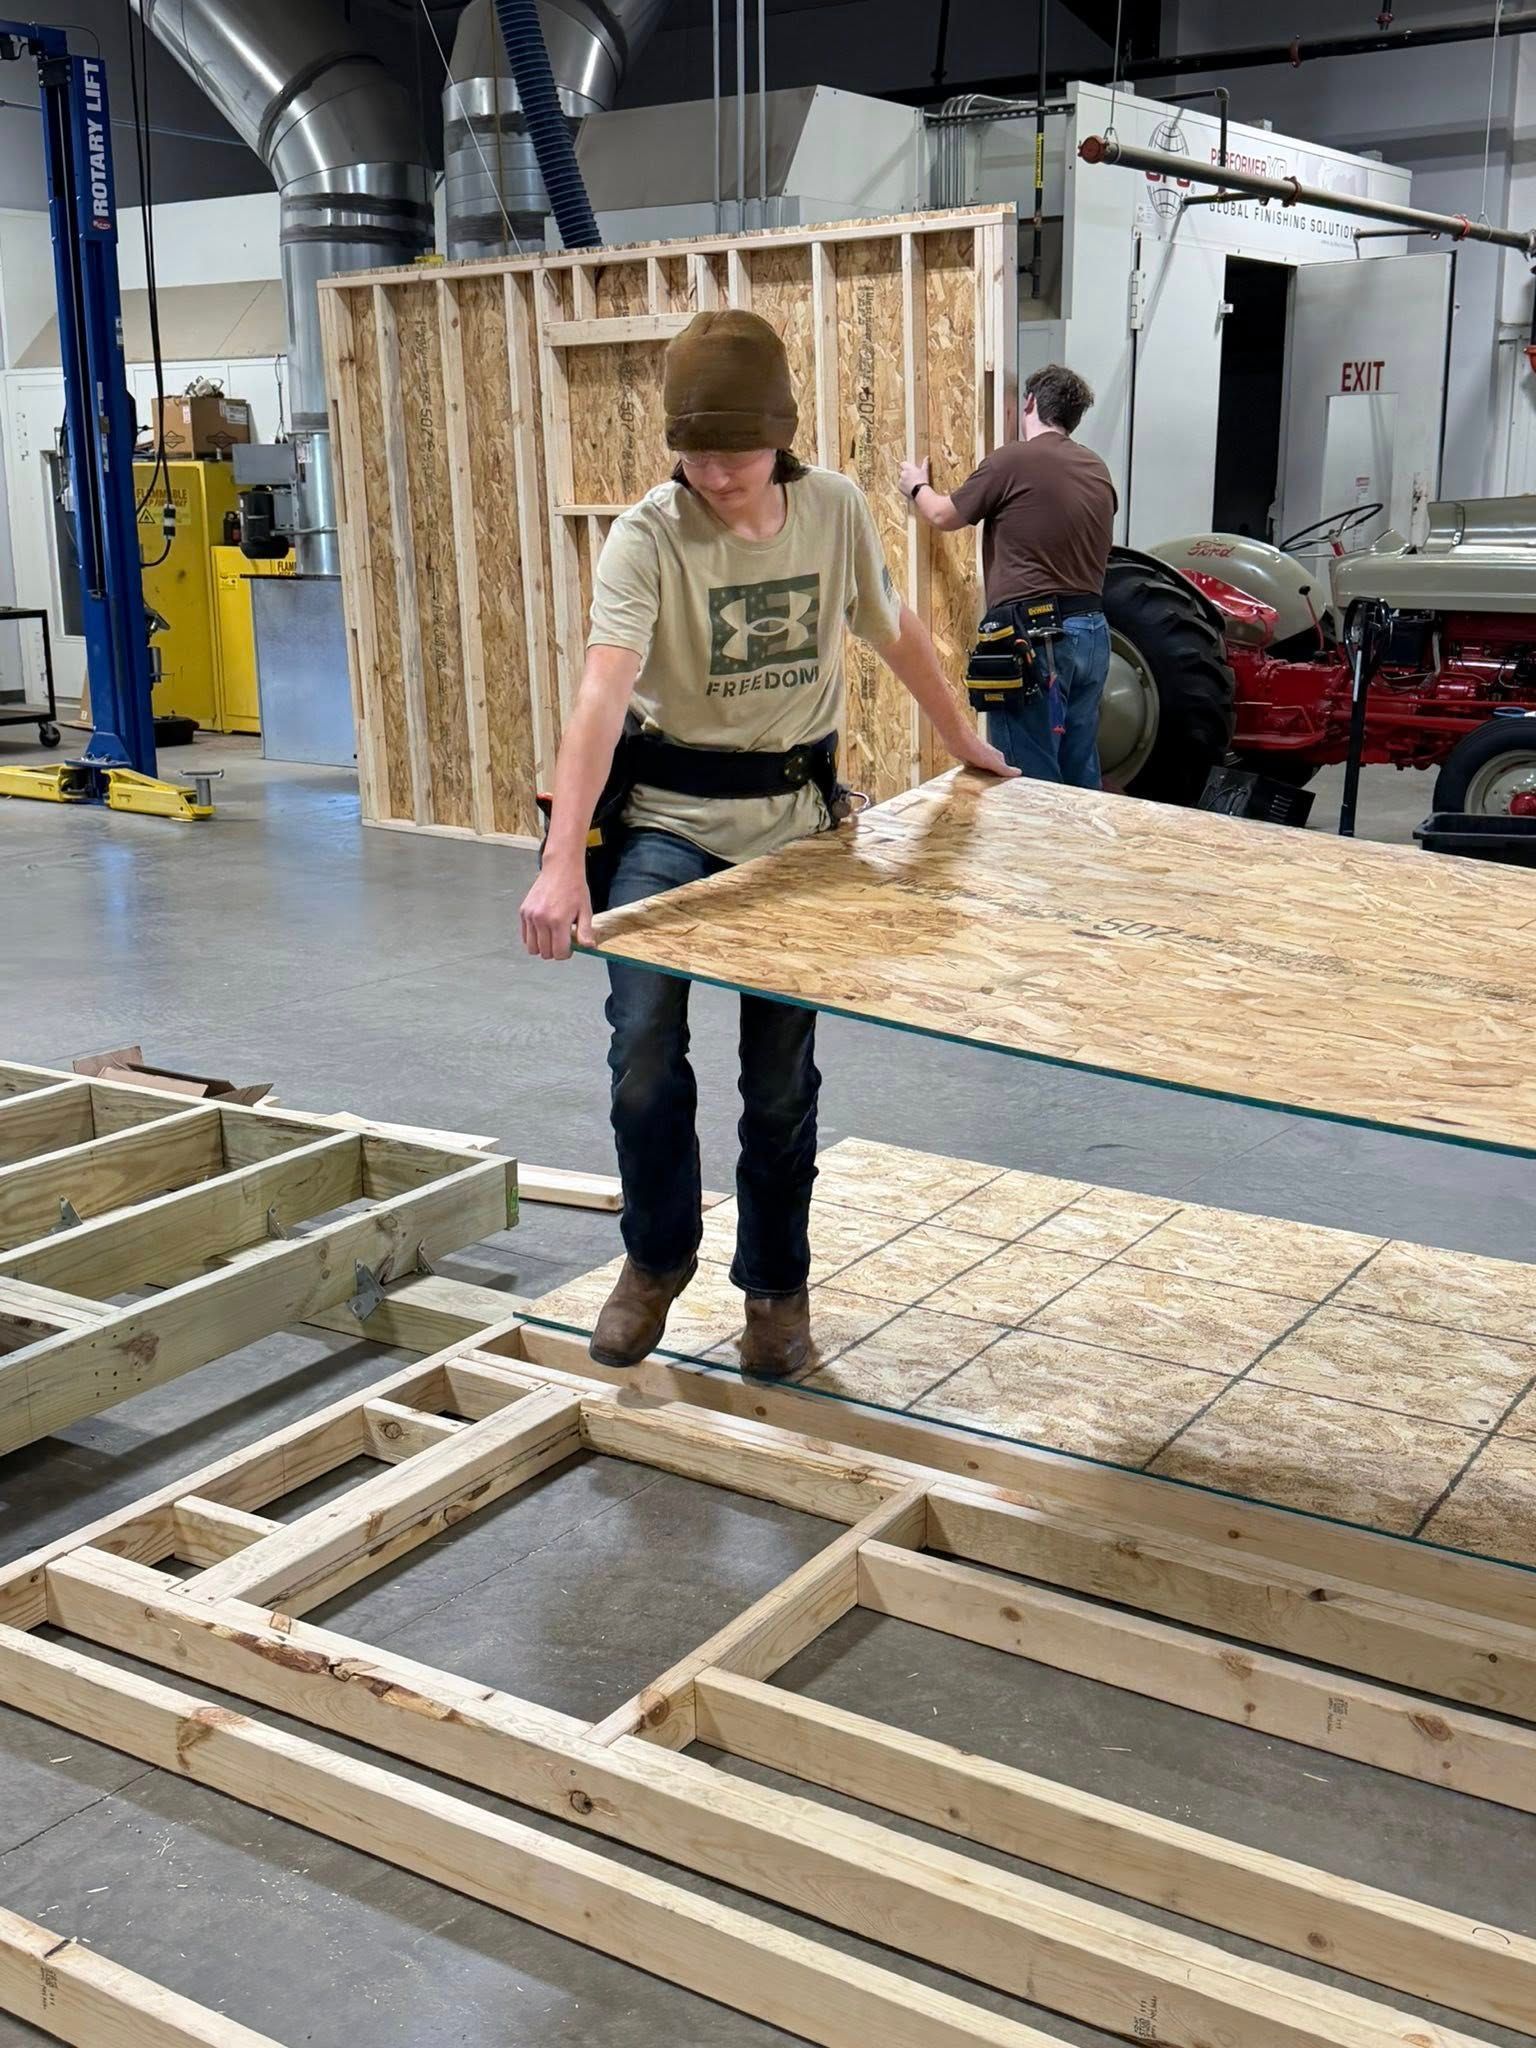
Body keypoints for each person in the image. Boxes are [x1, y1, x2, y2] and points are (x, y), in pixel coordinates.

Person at [519, 308, 1015, 1381]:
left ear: (780, 436)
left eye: (736, 452)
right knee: (644, 1059)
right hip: (669, 828)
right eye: (693, 453)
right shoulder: (648, 533)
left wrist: (964, 739)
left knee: (781, 1082)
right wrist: (563, 858)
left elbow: (898, 633)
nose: (715, 473)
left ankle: (775, 1294)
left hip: (794, 832)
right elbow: (603, 691)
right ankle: (654, 1260)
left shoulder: (832, 511)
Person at [900, 363, 1117, 788]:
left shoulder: (1014, 459)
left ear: (1031, 402)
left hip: (1039, 638)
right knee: (1078, 770)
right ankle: (1078, 854)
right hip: (1093, 634)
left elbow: (944, 515)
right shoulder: (1096, 469)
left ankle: (1034, 857)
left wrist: (915, 486)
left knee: (1026, 780)